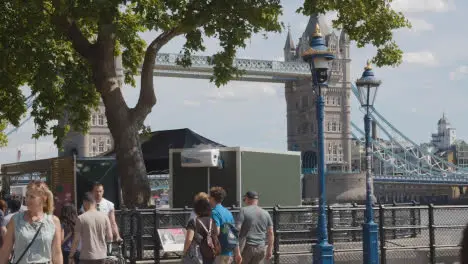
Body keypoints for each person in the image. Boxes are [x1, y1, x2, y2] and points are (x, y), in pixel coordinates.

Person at [0, 180, 63, 264]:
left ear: (44, 198)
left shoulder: (53, 221)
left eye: (32, 197)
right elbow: (5, 250)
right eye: (26, 196)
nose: (27, 199)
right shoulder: (16, 219)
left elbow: (57, 253)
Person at [70, 192, 112, 264]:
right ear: (95, 202)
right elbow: (110, 237)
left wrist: (71, 255)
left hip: (86, 257)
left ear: (85, 202)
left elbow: (76, 240)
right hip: (102, 256)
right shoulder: (105, 217)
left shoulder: (80, 218)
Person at [237, 191, 274, 264]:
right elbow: (270, 232)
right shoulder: (266, 213)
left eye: (245, 199)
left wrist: (236, 249)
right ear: (257, 200)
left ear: (247, 199)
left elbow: (237, 229)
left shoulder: (243, 210)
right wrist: (270, 249)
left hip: (246, 247)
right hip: (261, 248)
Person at [209, 187, 241, 264]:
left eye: (209, 197)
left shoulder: (214, 212)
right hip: (228, 252)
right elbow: (232, 232)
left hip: (219, 252)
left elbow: (217, 231)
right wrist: (237, 252)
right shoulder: (228, 212)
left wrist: (211, 233)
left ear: (212, 198)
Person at [183, 192, 218, 264]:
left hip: (197, 255)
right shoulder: (212, 221)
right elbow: (216, 234)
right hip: (210, 253)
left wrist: (184, 252)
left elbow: (189, 239)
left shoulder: (193, 221)